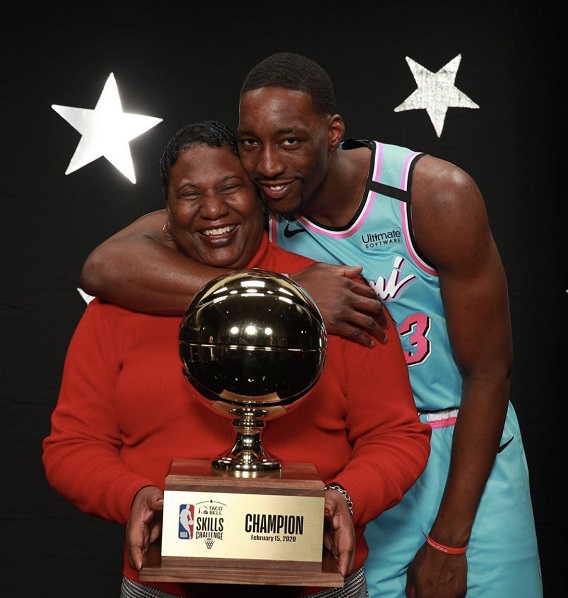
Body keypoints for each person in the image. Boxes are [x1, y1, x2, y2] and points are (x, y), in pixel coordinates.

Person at [79, 53, 544, 598]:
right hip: (363, 459)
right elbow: (103, 266)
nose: (269, 164)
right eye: (251, 143)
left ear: (333, 132)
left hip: (461, 443)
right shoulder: (251, 205)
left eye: (291, 141)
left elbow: (490, 371)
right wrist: (293, 294)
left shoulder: (434, 195)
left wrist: (449, 543)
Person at [44, 120, 432, 598]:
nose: (213, 210)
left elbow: (396, 435)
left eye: (231, 187)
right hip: (163, 587)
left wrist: (346, 500)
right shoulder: (115, 310)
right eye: (190, 194)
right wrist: (132, 498)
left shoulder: (337, 300)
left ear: (260, 195)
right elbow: (72, 446)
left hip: (315, 583)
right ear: (166, 210)